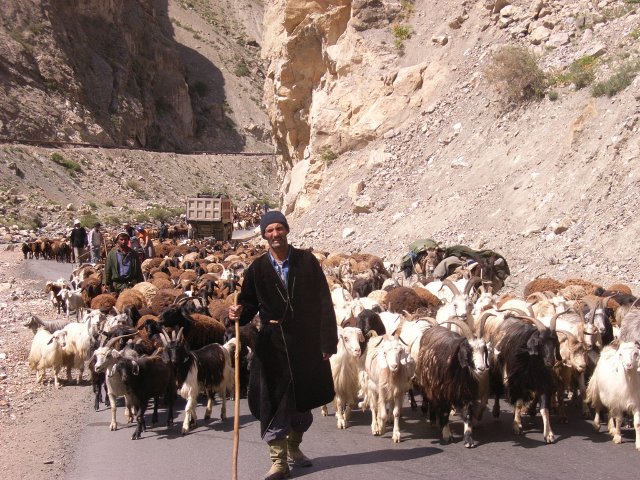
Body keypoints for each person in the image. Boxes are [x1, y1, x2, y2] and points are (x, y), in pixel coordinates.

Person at [228, 211, 337, 480]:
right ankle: (278, 462)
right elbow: (248, 304)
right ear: (264, 235)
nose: (275, 234)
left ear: (287, 230)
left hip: (305, 341)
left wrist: (327, 342)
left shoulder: (306, 261)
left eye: (279, 229)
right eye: (269, 231)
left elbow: (324, 302)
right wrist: (237, 313)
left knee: (304, 401)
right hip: (273, 344)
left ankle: (293, 447)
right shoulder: (257, 269)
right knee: (274, 402)